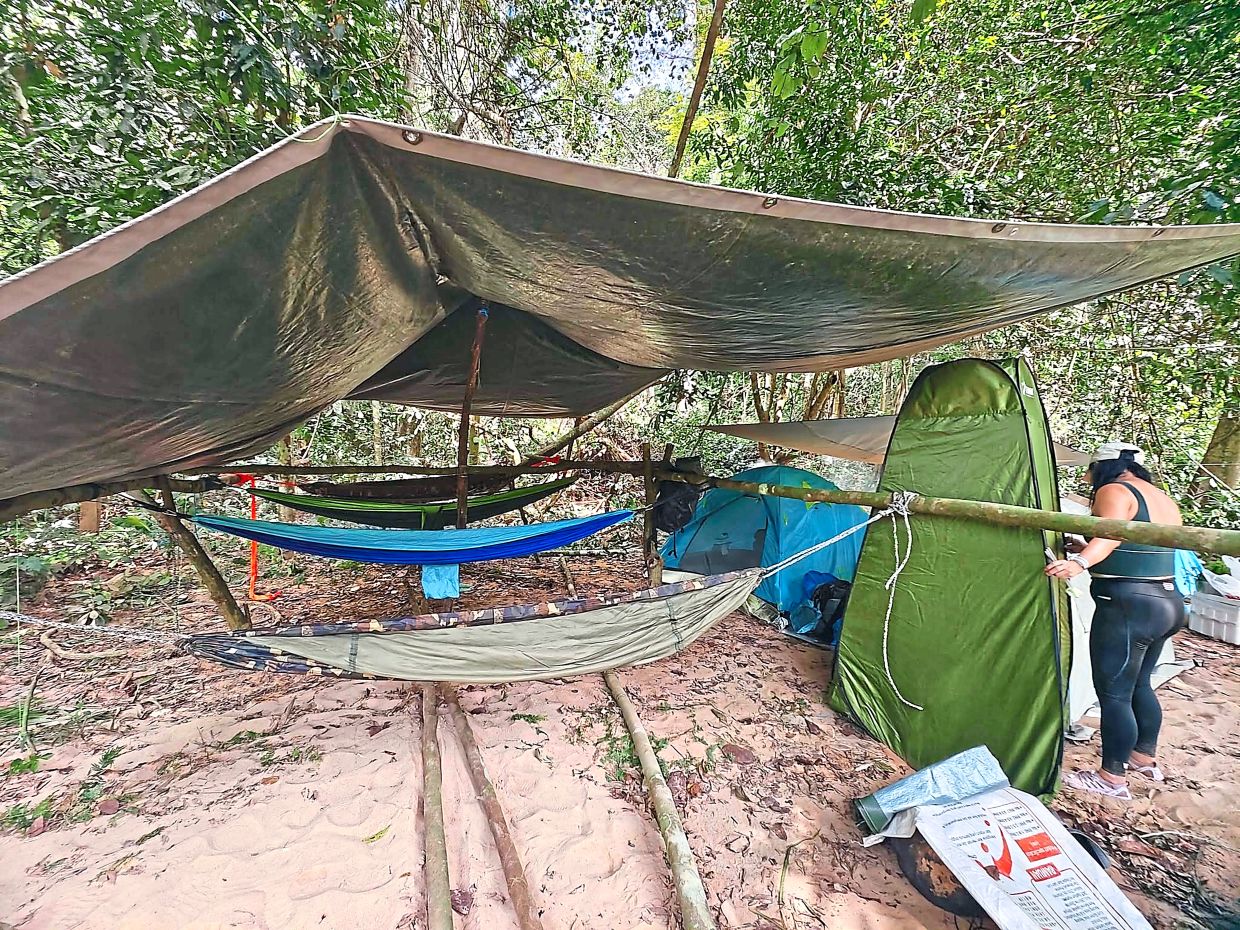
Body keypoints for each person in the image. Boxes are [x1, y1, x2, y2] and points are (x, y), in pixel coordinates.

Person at [1045, 441, 1187, 799]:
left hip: (1127, 604)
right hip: (1167, 602)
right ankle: (1143, 758)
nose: (1087, 477)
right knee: (1140, 685)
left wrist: (1079, 563)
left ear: (1104, 468)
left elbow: (1111, 532)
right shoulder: (1160, 496)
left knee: (1114, 695)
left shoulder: (1114, 489)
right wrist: (1087, 549)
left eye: (1090, 469)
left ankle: (1111, 778)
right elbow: (1136, 544)